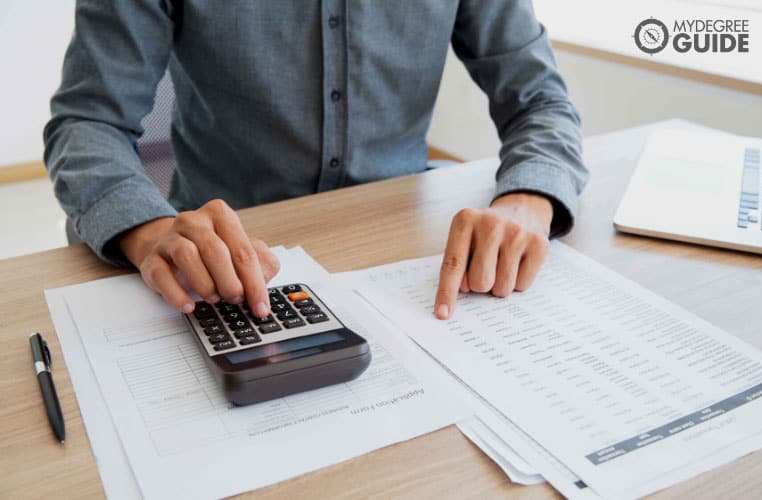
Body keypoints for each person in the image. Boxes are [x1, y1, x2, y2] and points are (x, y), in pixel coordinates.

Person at [44, 1, 587, 321]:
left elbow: (540, 99)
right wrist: (146, 228)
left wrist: (529, 198)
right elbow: (88, 121)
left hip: (402, 263)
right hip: (218, 261)